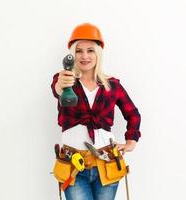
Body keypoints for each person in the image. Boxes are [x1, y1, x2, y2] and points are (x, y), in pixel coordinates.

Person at [51, 23, 141, 200]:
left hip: (107, 164)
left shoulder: (112, 85)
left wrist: (131, 141)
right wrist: (60, 86)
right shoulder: (65, 80)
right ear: (72, 54)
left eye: (90, 50)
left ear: (98, 53)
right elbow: (57, 89)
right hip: (74, 166)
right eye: (79, 51)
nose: (85, 56)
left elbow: (133, 114)